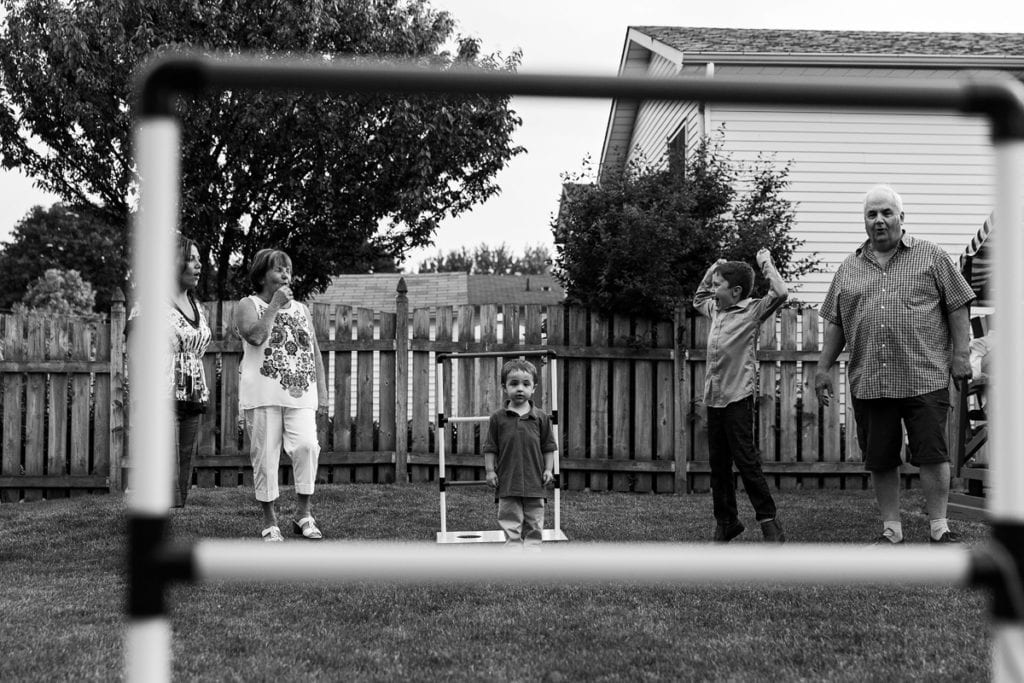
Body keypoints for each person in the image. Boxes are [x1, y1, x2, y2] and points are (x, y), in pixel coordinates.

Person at [814, 185, 974, 544]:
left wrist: (961, 354)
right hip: (871, 378)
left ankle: (939, 527)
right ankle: (892, 529)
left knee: (932, 454)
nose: (879, 220)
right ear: (865, 221)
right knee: (881, 458)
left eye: (886, 213)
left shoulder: (931, 256)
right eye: (872, 214)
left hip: (924, 375)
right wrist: (823, 367)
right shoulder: (848, 268)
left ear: (902, 218)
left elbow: (958, 304)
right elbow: (836, 321)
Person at [693, 248, 788, 543]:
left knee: (746, 462)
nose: (712, 289)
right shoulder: (715, 310)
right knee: (719, 465)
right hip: (714, 399)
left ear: (735, 291)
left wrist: (765, 263)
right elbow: (698, 299)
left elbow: (781, 292)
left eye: (718, 285)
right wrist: (712, 269)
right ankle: (727, 522)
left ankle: (770, 523)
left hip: (738, 398)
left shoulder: (752, 311)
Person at [233, 248, 329, 542]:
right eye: (278, 269)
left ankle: (303, 514)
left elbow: (313, 351)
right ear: (262, 274)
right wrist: (274, 305)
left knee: (307, 447)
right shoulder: (247, 304)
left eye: (288, 269)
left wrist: (322, 393)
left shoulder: (302, 309)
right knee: (265, 457)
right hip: (262, 395)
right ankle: (270, 520)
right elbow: (256, 336)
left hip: (300, 393)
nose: (286, 274)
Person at [483, 358, 557, 550]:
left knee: (534, 518)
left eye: (526, 384)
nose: (520, 389)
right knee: (509, 517)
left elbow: (548, 446)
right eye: (513, 384)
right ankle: (513, 547)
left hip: (535, 479)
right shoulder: (498, 418)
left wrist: (549, 469)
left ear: (534, 388)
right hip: (508, 479)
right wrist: (490, 471)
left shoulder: (540, 417)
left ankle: (533, 548)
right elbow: (491, 447)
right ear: (504, 387)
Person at [168, 236, 212, 508]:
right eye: (191, 258)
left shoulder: (198, 307)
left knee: (185, 457)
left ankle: (179, 512)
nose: (199, 265)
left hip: (193, 392)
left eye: (199, 259)